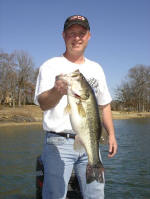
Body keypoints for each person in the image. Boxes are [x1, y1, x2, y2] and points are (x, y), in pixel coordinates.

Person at [34, 15, 118, 199]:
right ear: (64, 36)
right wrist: (57, 91)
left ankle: (94, 163)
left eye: (81, 33)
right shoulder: (49, 66)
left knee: (96, 194)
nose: (77, 37)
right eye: (72, 33)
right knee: (55, 195)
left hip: (91, 143)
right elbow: (42, 103)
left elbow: (104, 105)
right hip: (58, 142)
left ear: (89, 36)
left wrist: (110, 134)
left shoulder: (97, 68)